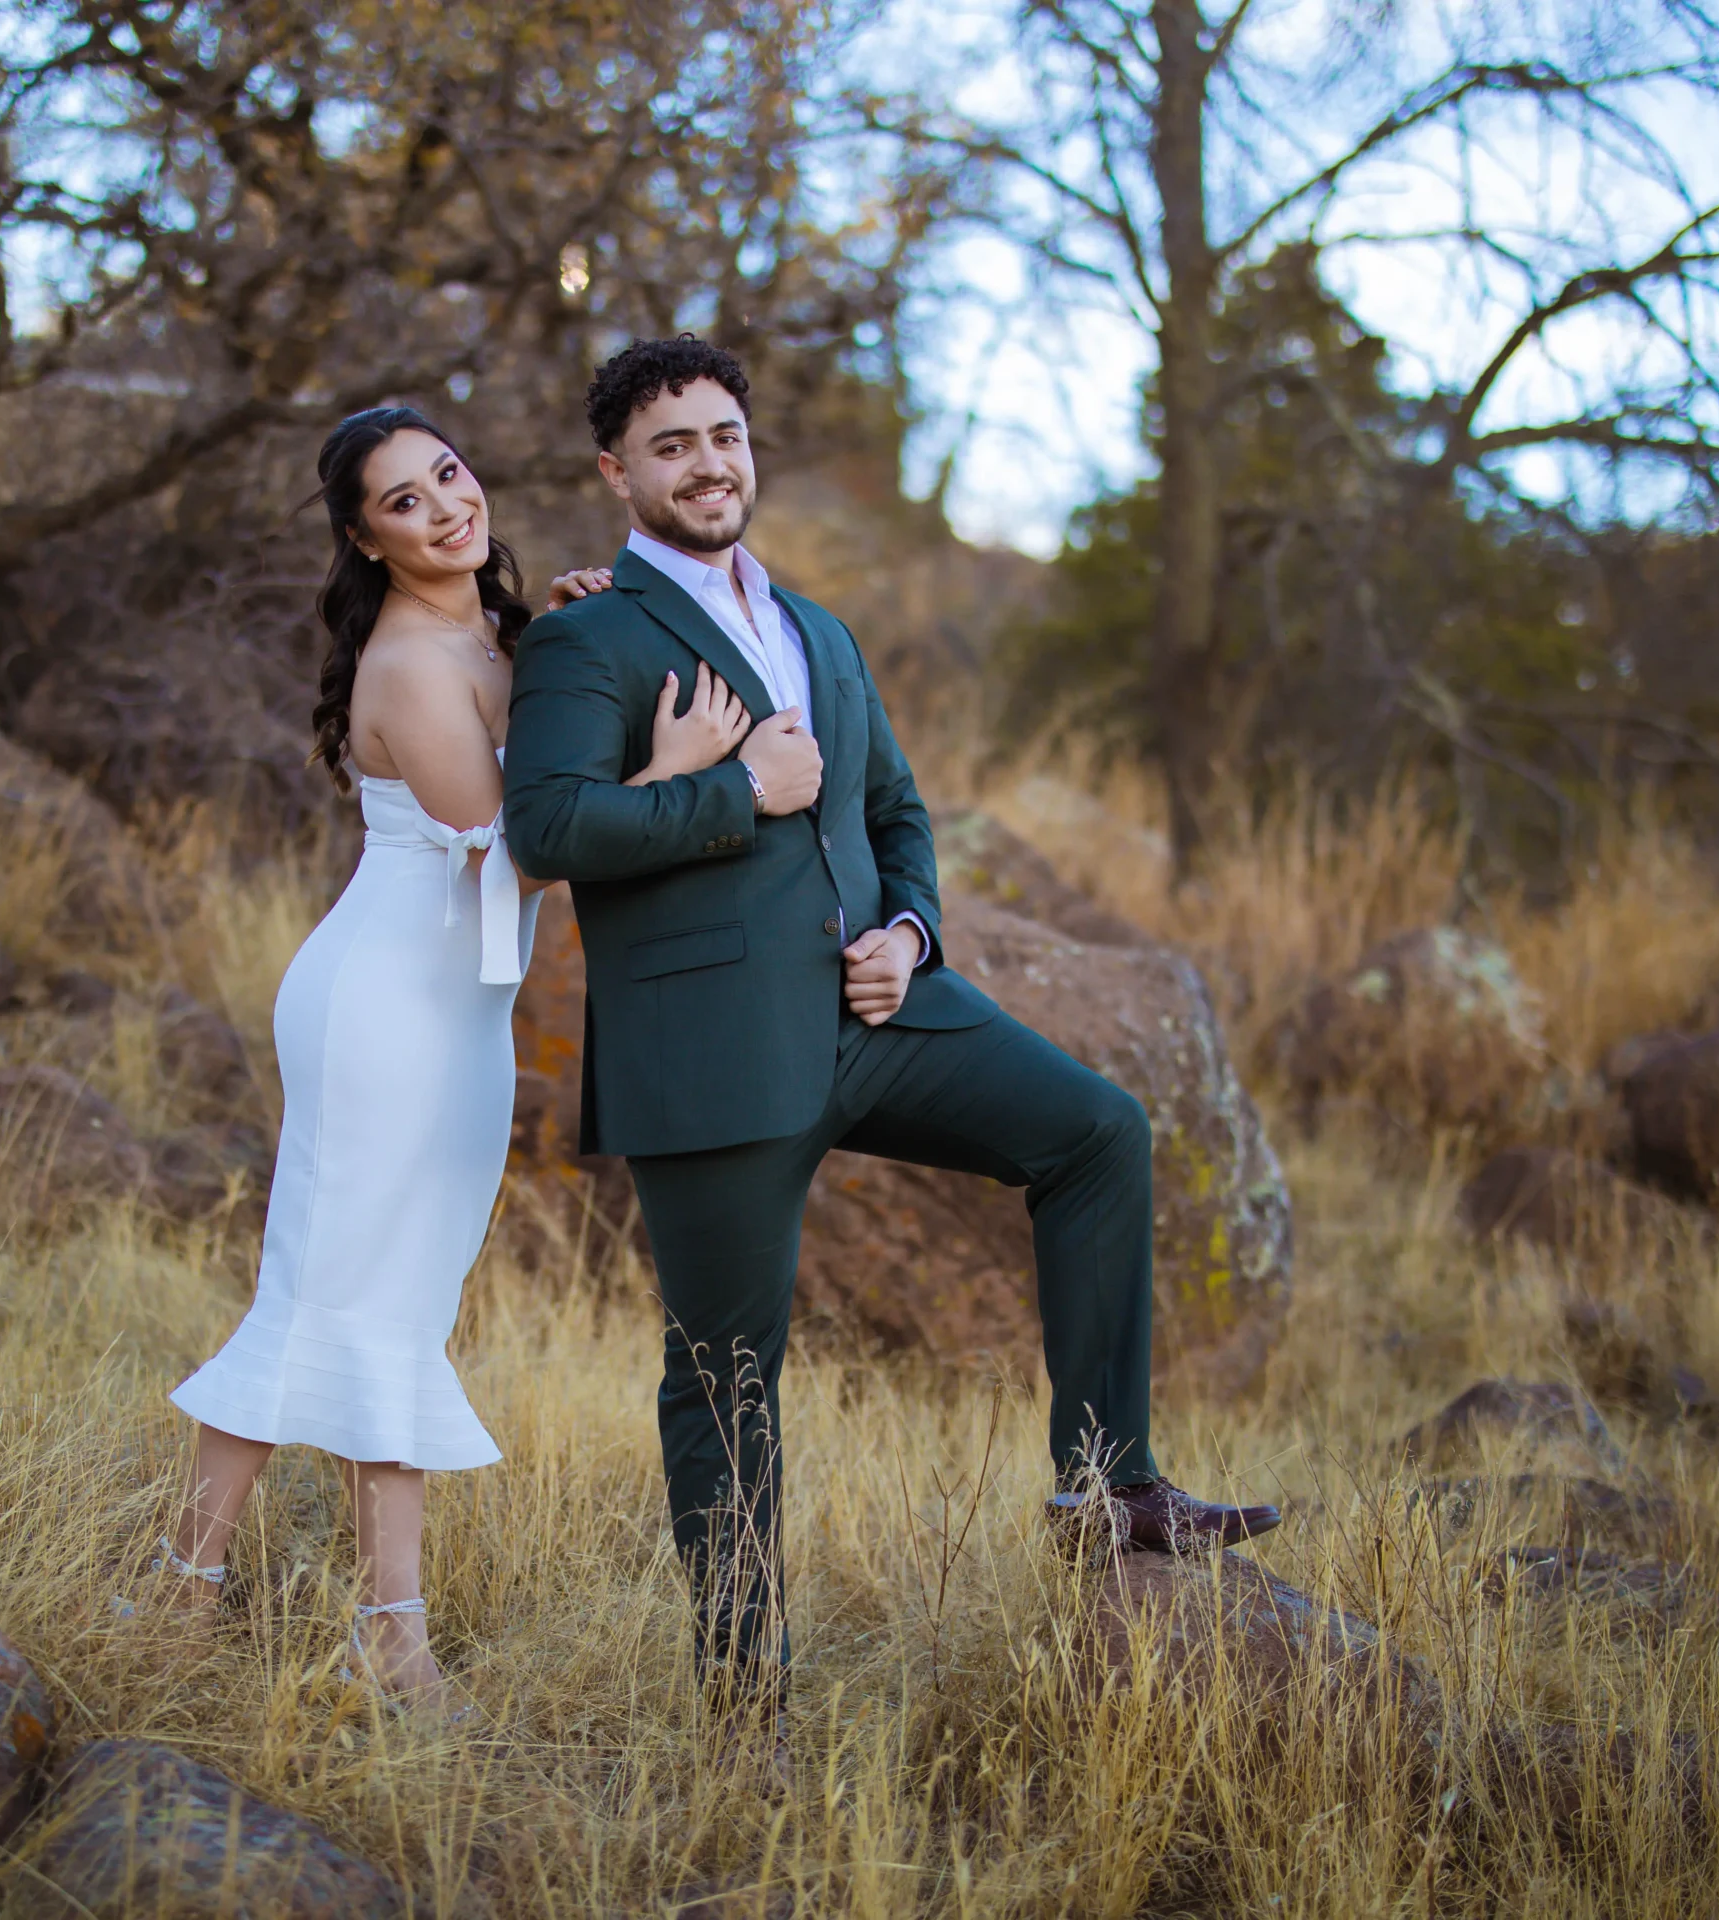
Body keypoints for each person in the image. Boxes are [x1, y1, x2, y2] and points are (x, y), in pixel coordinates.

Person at [503, 336, 1282, 1751]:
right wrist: (737, 789)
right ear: (617, 473)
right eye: (671, 446)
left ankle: (1104, 1487)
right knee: (729, 1379)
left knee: (1098, 1134)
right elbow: (548, 830)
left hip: (880, 1013)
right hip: (712, 1051)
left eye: (724, 436)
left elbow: (897, 815)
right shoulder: (586, 637)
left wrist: (909, 935)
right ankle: (746, 1707)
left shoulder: (823, 632)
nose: (707, 465)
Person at [156, 406, 753, 1714]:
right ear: (365, 540)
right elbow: (533, 848)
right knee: (319, 1298)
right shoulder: (412, 665)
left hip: (462, 1017)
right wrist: (674, 771)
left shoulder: (496, 632)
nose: (445, 509)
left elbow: (556, 737)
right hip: (380, 1010)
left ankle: (365, 1632)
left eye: (448, 475)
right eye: (405, 503)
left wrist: (577, 627)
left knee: (401, 1312)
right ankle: (200, 1603)